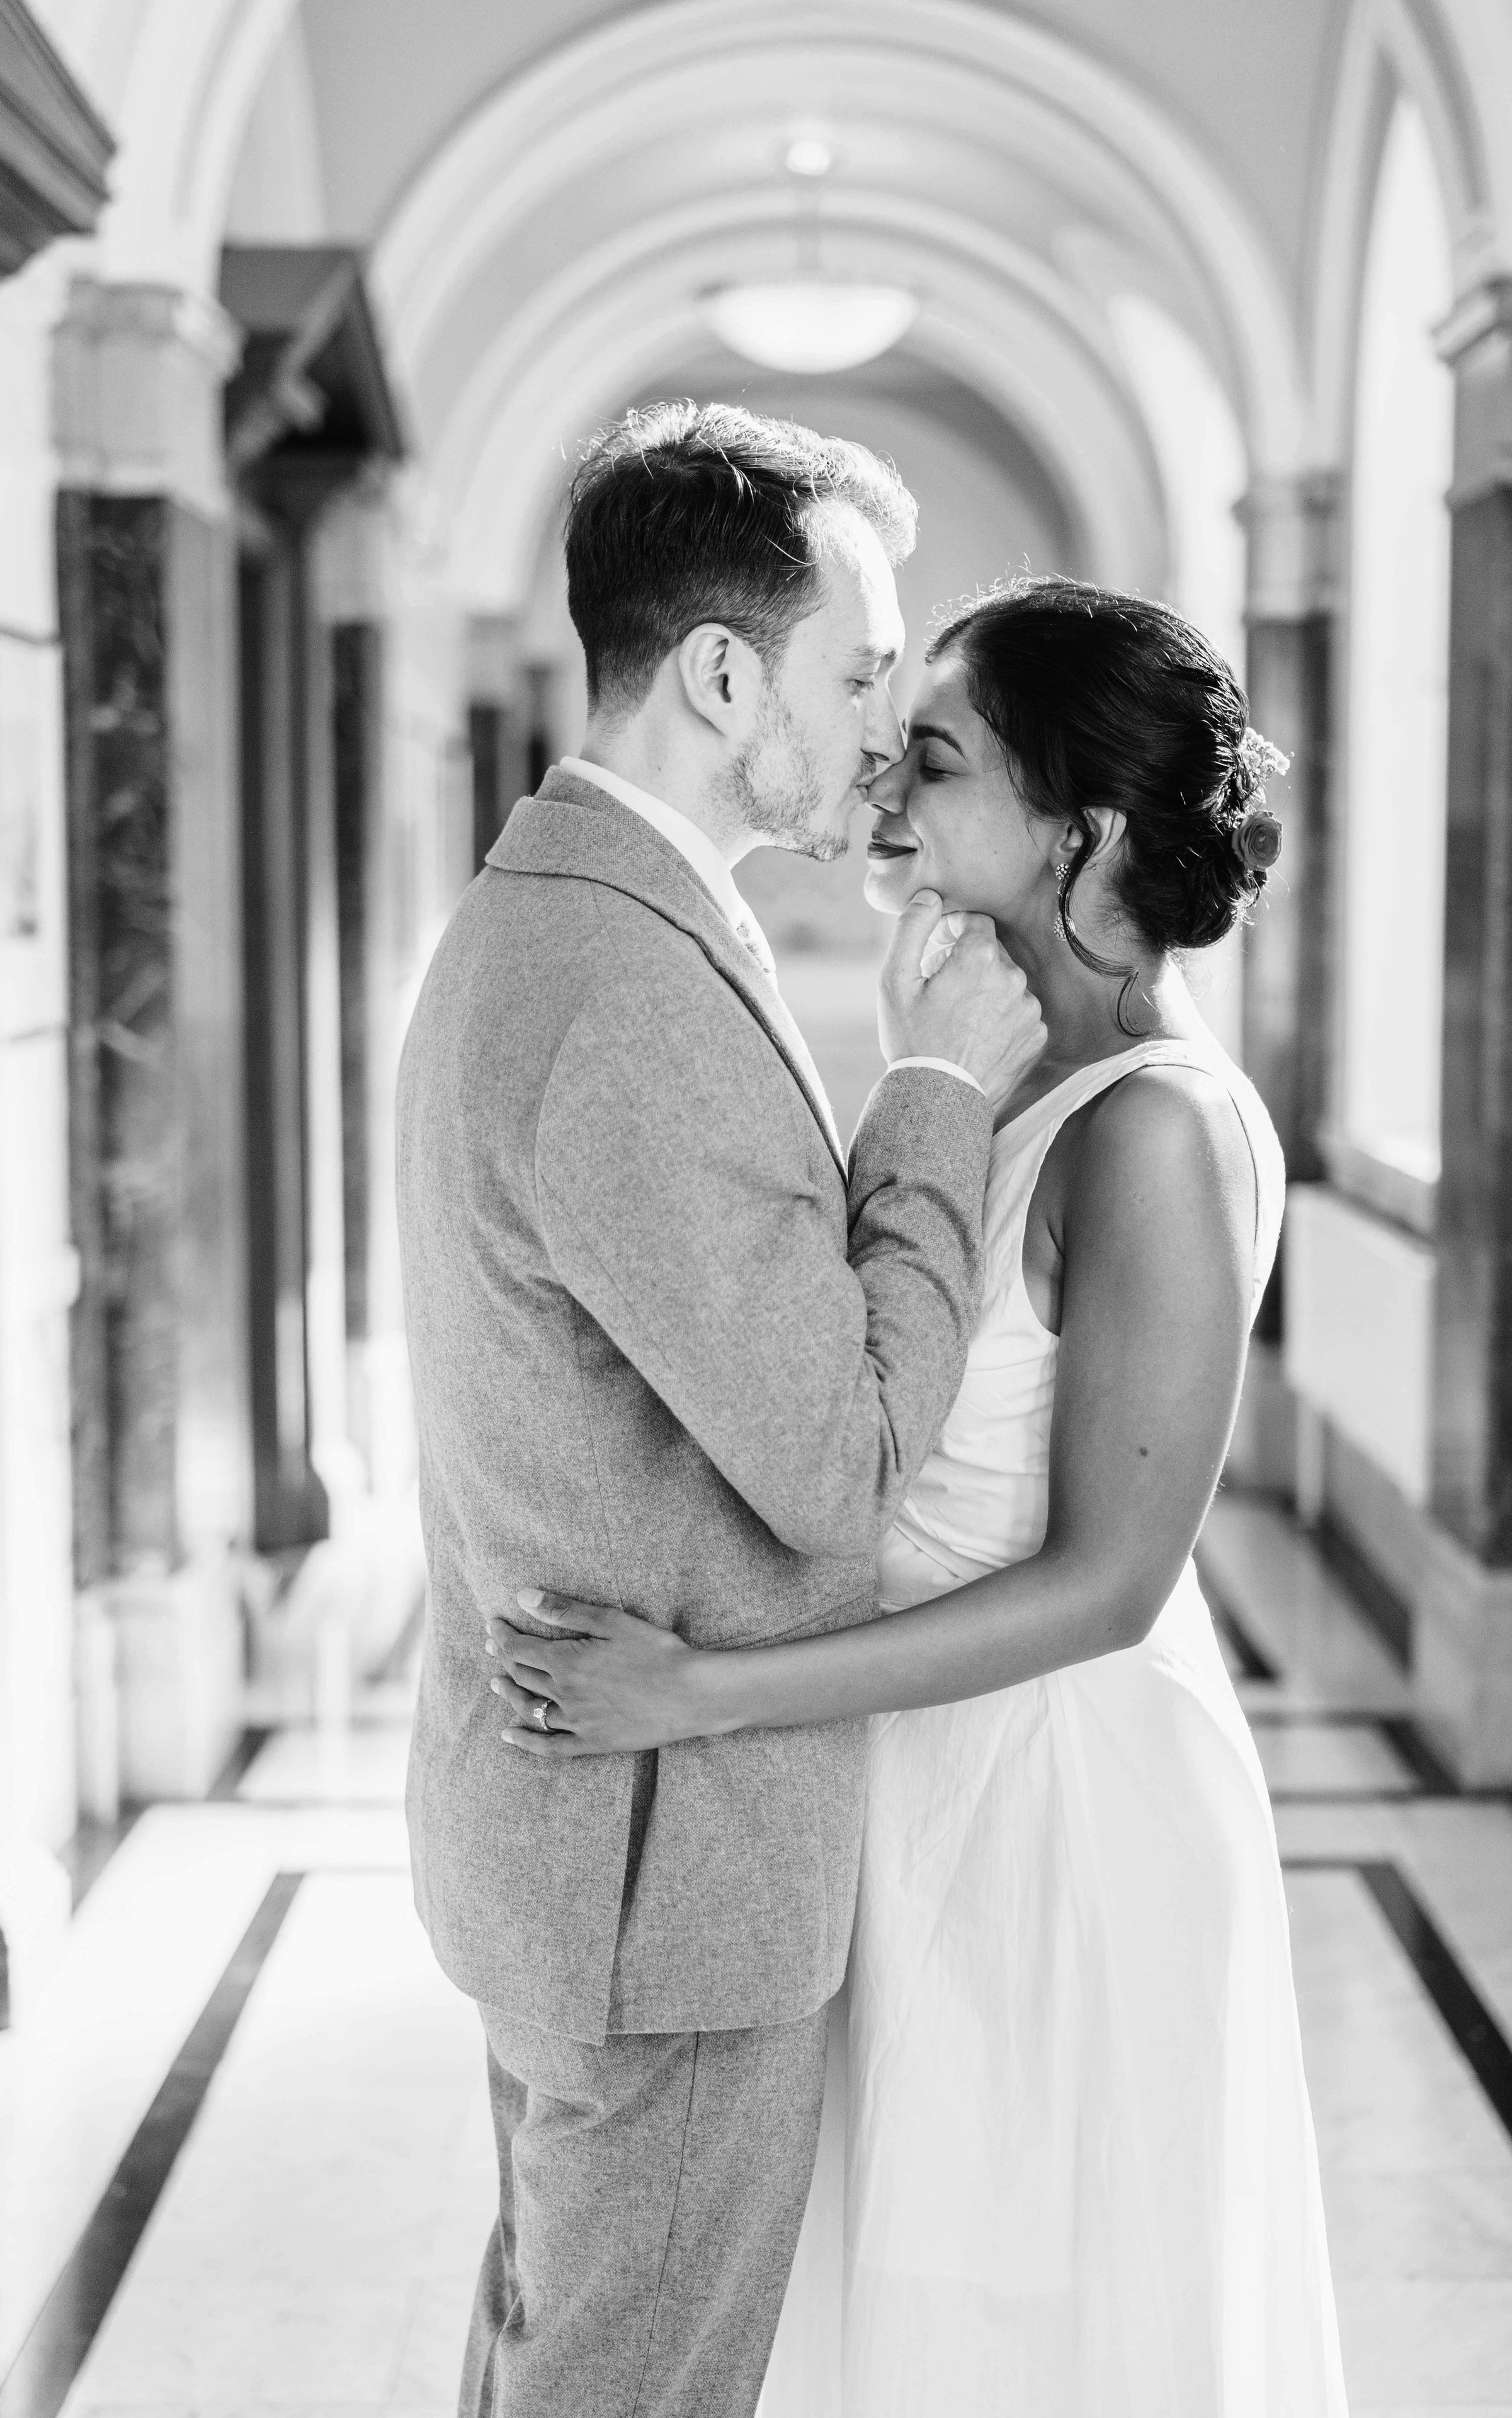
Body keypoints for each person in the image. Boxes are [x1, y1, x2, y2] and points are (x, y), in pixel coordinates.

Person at [488, 578, 1351, 2415]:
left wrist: (704, 1693)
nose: (885, 807)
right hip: (903, 1775)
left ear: (1081, 830)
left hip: (1057, 1815)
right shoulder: (997, 1071)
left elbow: (1111, 1585)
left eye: (935, 763)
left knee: (1016, 2335)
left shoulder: (1155, 1133)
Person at [395, 402, 1045, 2418]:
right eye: (861, 668)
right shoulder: (617, 982)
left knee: (556, 2363)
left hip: (591, 1848)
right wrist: (933, 1092)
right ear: (722, 671)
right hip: (660, 1891)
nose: (882, 723)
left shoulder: (592, 910)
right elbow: (841, 1456)